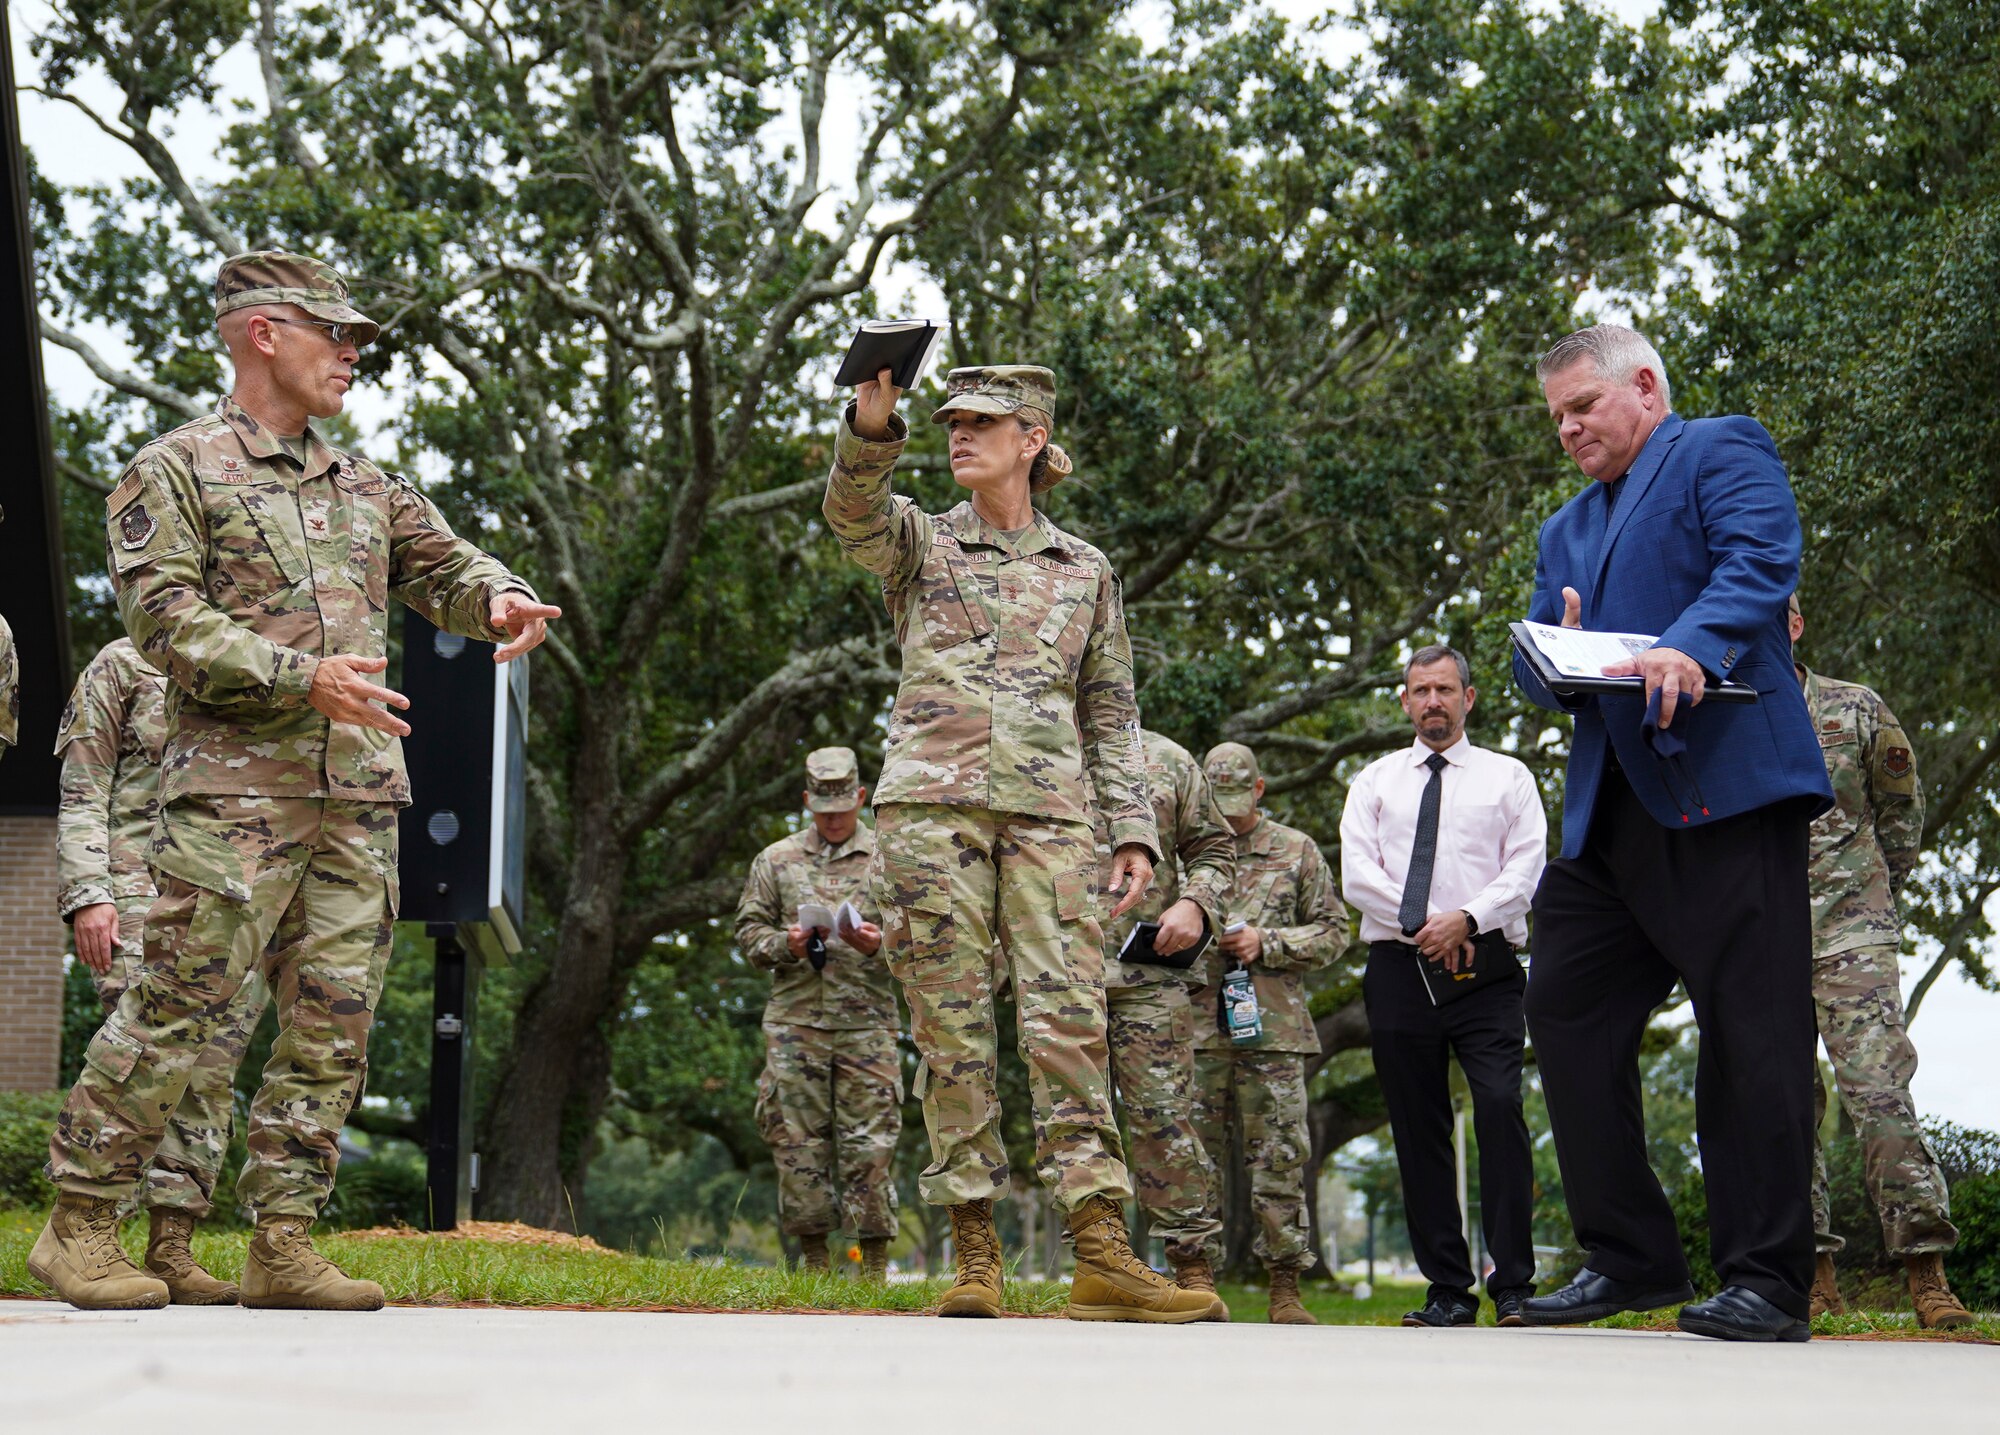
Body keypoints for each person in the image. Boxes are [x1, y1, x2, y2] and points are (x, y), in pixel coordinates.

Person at [33, 251, 559, 1313]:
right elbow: (163, 619)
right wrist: (298, 676)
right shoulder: (173, 469)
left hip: (357, 798)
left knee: (333, 1023)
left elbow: (444, 565)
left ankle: (280, 1240)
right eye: (337, 330)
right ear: (264, 331)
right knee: (176, 1008)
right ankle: (80, 1224)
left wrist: (499, 596)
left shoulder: (363, 483)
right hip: (233, 799)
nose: (355, 352)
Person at [826, 363, 1211, 1323]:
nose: (959, 435)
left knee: (1069, 1021)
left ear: (1031, 440)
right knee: (950, 1029)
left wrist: (1133, 830)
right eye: (951, 421)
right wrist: (873, 427)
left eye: (981, 423)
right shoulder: (920, 542)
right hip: (930, 814)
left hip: (1051, 819)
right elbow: (852, 513)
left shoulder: (1086, 569)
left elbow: (1113, 710)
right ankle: (972, 1253)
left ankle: (1100, 1252)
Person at [1515, 324, 1832, 1342]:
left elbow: (1756, 561)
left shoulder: (1717, 448)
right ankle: (1628, 1256)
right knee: (1562, 1008)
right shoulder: (1561, 528)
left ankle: (1768, 1280)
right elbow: (1530, 662)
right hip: (1607, 812)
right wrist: (1548, 649)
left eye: (1581, 407)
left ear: (1642, 386)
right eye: (1554, 417)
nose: (1564, 429)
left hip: (1723, 789)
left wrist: (1684, 645)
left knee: (1750, 1034)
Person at [56, 637, 270, 1303]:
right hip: (138, 891)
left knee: (210, 1070)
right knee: (142, 1057)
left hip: (231, 897)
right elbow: (83, 786)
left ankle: (171, 1245)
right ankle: (91, 1231)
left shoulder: (253, 658)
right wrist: (87, 892)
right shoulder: (122, 664)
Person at [1341, 646, 1546, 1329]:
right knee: (1418, 1126)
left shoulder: (1508, 777)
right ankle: (1449, 1288)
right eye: (1421, 690)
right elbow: (1356, 873)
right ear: (1405, 701)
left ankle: (1513, 1283)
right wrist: (1423, 921)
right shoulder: (1373, 781)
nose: (1433, 700)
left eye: (1445, 689)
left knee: (1498, 1104)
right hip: (1400, 969)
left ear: (1470, 697)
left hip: (1484, 968)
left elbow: (1526, 868)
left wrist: (1468, 917)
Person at [1788, 594, 1970, 1327]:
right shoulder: (1723, 711)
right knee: (1783, 1112)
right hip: (1760, 944)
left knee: (1880, 1098)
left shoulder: (1854, 706)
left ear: (1797, 621)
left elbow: (1900, 810)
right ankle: (1815, 1273)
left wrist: (1872, 896)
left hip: (1851, 938)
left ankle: (1926, 1271)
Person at [1187, 741, 1348, 1325]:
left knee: (1280, 1158)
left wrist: (1269, 943)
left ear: (1259, 790)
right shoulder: (1182, 853)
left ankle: (1285, 1285)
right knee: (1191, 1161)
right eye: (1215, 800)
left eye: (1237, 799)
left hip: (1273, 1032)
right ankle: (1194, 1279)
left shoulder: (1295, 850)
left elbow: (1335, 932)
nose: (1227, 814)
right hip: (1196, 1030)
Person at [735, 746, 901, 1279]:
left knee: (871, 1144)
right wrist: (786, 942)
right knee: (797, 1143)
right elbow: (748, 934)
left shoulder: (888, 858)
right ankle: (814, 1264)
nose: (833, 819)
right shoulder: (776, 860)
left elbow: (923, 941)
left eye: (842, 808)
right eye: (822, 809)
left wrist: (879, 944)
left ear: (860, 797)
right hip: (795, 1024)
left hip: (868, 1023)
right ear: (807, 801)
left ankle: (873, 1267)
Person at [1094, 728, 1234, 1314]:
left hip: (1148, 975)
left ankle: (1192, 1264)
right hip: (1054, 969)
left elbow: (1214, 849)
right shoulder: (1026, 750)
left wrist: (1195, 903)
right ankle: (1099, 1262)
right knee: (1072, 1122)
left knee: (1163, 1120)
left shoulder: (1169, 760)